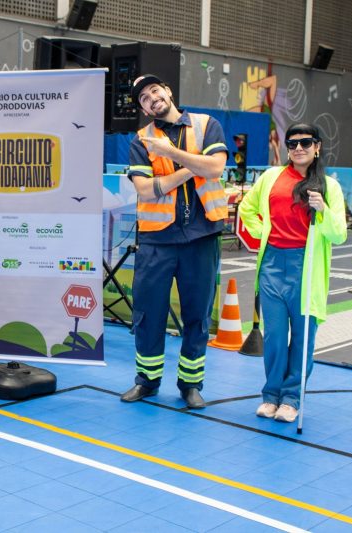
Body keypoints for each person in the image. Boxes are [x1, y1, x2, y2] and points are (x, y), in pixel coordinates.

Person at [120, 74, 228, 409]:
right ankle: (147, 381)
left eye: (155, 90)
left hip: (202, 236)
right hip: (157, 240)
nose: (151, 98)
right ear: (143, 109)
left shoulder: (206, 125)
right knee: (148, 314)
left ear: (167, 91)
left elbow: (216, 167)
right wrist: (192, 166)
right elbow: (145, 189)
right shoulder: (141, 140)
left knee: (197, 314)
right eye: (143, 98)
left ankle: (190, 384)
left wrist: (170, 154)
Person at [238, 123, 347, 422]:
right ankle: (271, 395)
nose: (299, 148)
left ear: (317, 147)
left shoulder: (329, 186)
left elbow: (339, 234)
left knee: (302, 338)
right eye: (292, 143)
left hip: (306, 266)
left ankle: (291, 398)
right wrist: (264, 234)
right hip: (272, 264)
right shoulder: (271, 177)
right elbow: (246, 209)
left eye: (306, 142)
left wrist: (323, 209)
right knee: (274, 336)